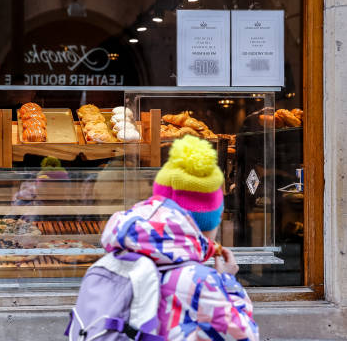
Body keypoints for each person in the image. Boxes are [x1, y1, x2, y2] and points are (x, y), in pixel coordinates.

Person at [101, 135, 259, 340]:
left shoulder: (112, 263)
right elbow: (245, 336)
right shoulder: (201, 282)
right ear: (208, 223)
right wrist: (227, 282)